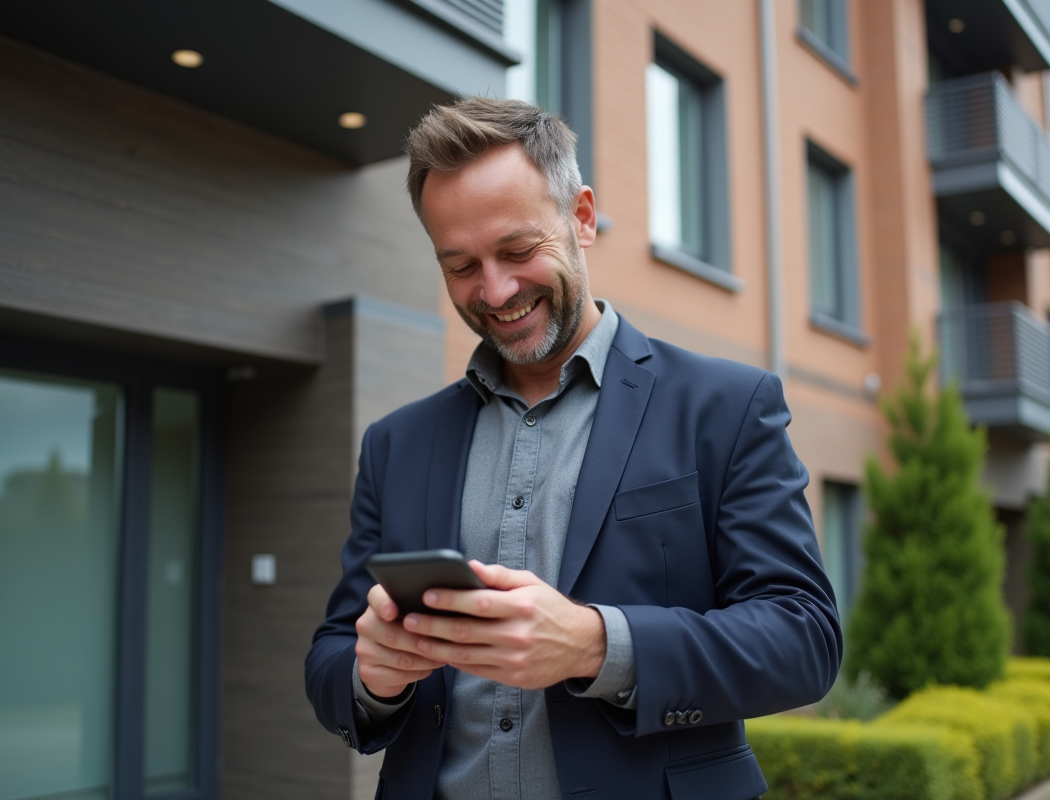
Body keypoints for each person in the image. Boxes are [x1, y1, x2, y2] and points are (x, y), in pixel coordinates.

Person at [305, 97, 841, 800]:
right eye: (460, 265)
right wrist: (371, 676)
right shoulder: (395, 444)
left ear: (581, 218)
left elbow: (803, 640)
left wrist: (596, 643)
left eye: (518, 250)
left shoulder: (727, 408)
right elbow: (331, 657)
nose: (494, 291)